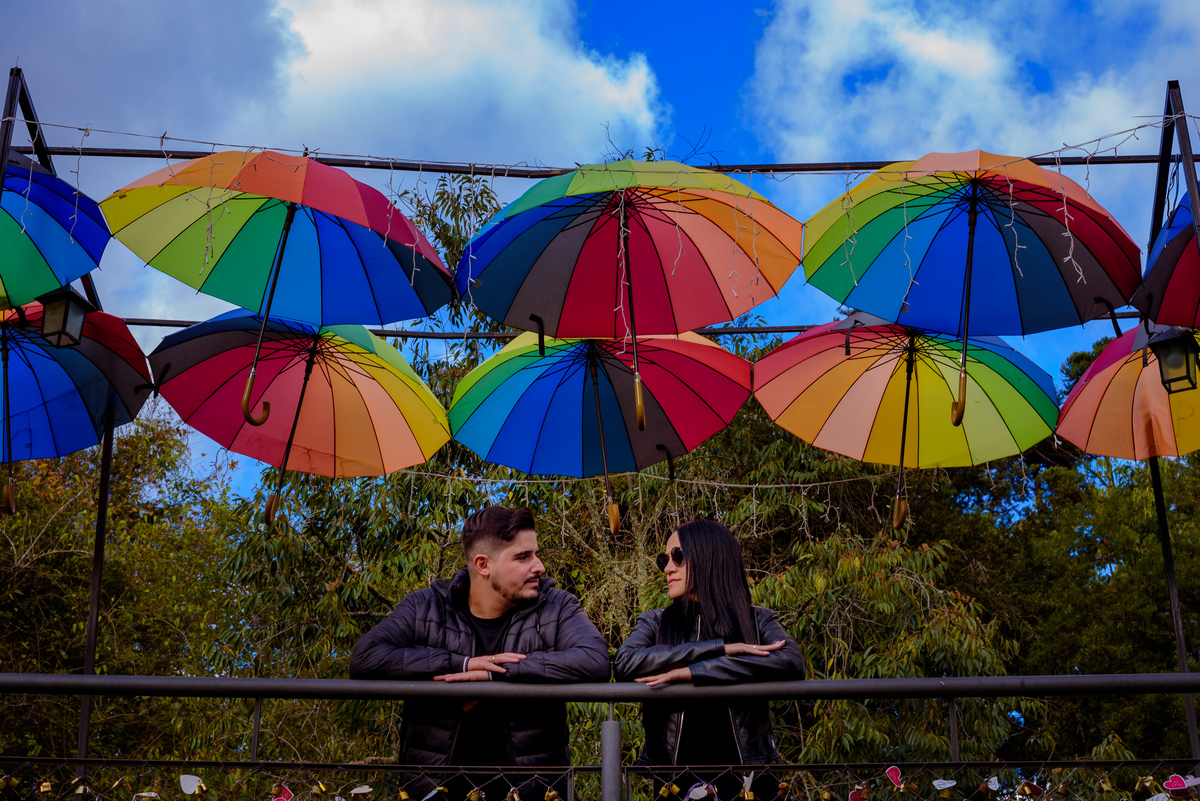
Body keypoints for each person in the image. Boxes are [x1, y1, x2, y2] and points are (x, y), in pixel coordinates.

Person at [349, 506, 611, 800]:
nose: (539, 566)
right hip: (435, 791)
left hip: (532, 791)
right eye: (523, 557)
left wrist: (496, 675)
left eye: (535, 554)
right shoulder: (424, 607)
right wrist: (460, 665)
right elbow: (365, 658)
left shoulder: (556, 606)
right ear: (483, 565)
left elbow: (595, 660)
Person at [614, 519, 806, 799]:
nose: (667, 568)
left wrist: (691, 673)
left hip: (749, 785)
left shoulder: (756, 619)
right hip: (676, 787)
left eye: (677, 557)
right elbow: (625, 663)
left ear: (709, 558)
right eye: (663, 560)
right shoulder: (655, 621)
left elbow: (791, 661)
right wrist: (718, 648)